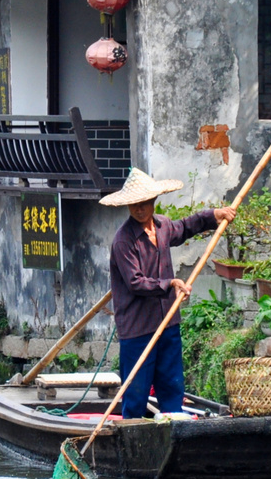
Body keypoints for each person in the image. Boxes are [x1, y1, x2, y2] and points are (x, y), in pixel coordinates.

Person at [99, 168, 235, 420]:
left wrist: (213, 215)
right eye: (134, 205)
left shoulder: (161, 226)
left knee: (172, 385)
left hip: (167, 322)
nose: (139, 209)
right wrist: (170, 283)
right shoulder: (123, 240)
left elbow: (184, 227)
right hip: (138, 328)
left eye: (144, 204)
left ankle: (173, 430)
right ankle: (133, 436)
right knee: (137, 391)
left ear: (153, 202)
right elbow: (135, 282)